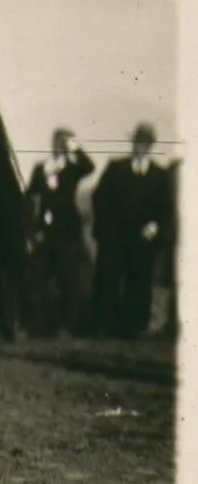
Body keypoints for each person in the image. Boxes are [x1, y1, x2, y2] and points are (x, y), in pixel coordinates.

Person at [92, 122, 172, 338]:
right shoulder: (115, 168)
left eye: (145, 143)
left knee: (139, 281)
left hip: (143, 239)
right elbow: (99, 198)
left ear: (151, 146)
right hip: (115, 238)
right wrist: (107, 230)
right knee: (109, 279)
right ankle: (105, 325)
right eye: (138, 142)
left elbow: (166, 209)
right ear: (132, 143)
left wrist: (154, 227)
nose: (140, 147)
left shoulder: (159, 175)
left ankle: (134, 326)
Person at [23, 128, 95, 336]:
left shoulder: (73, 168)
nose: (60, 146)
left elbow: (89, 167)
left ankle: (66, 327)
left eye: (63, 143)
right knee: (37, 279)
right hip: (44, 233)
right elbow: (30, 196)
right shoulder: (41, 168)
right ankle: (40, 326)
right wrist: (33, 227)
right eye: (58, 142)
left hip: (68, 232)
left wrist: (76, 148)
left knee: (69, 281)